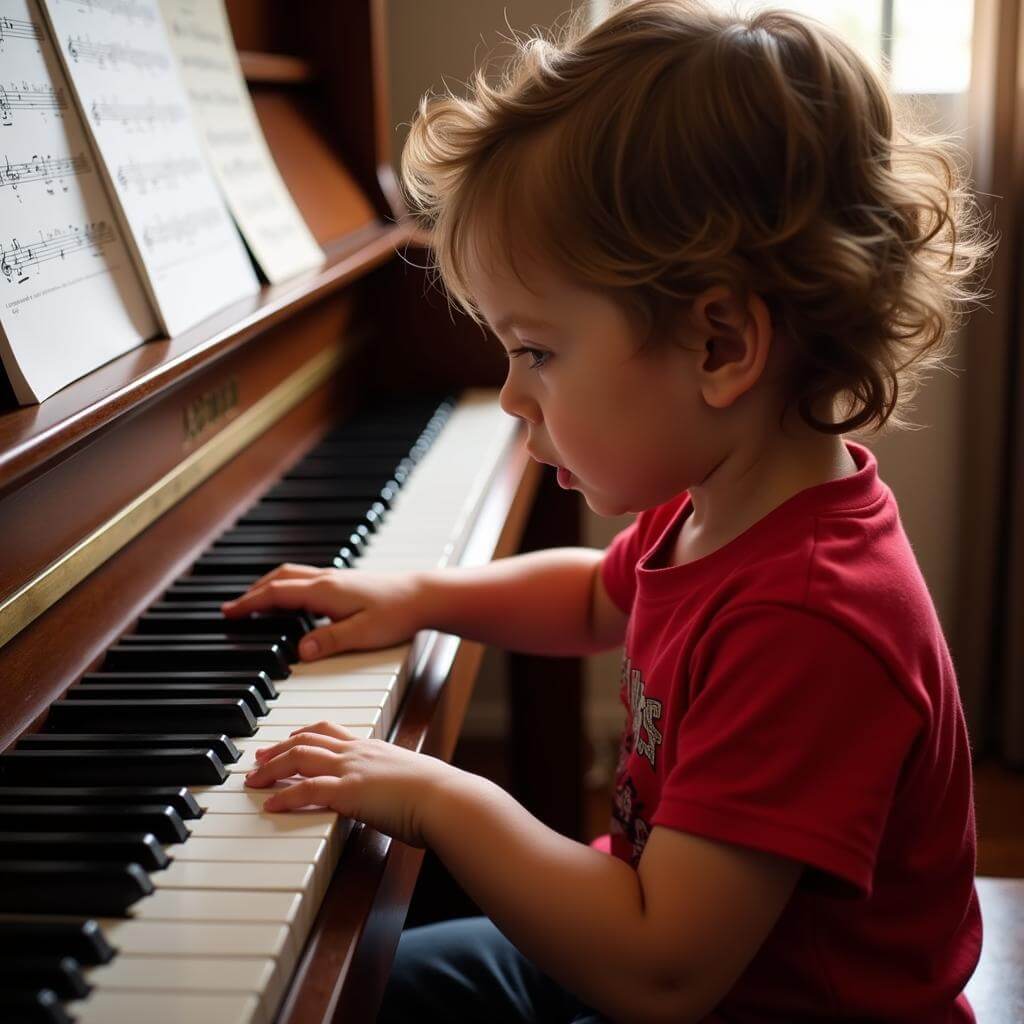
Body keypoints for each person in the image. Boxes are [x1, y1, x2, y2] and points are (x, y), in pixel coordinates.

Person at [223, 1, 995, 1020]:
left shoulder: (810, 620)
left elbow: (659, 969)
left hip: (732, 993)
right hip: (649, 941)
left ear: (719, 346)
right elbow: (599, 595)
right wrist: (422, 592)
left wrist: (438, 796)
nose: (510, 395)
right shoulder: (728, 501)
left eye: (535, 351)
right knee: (368, 991)